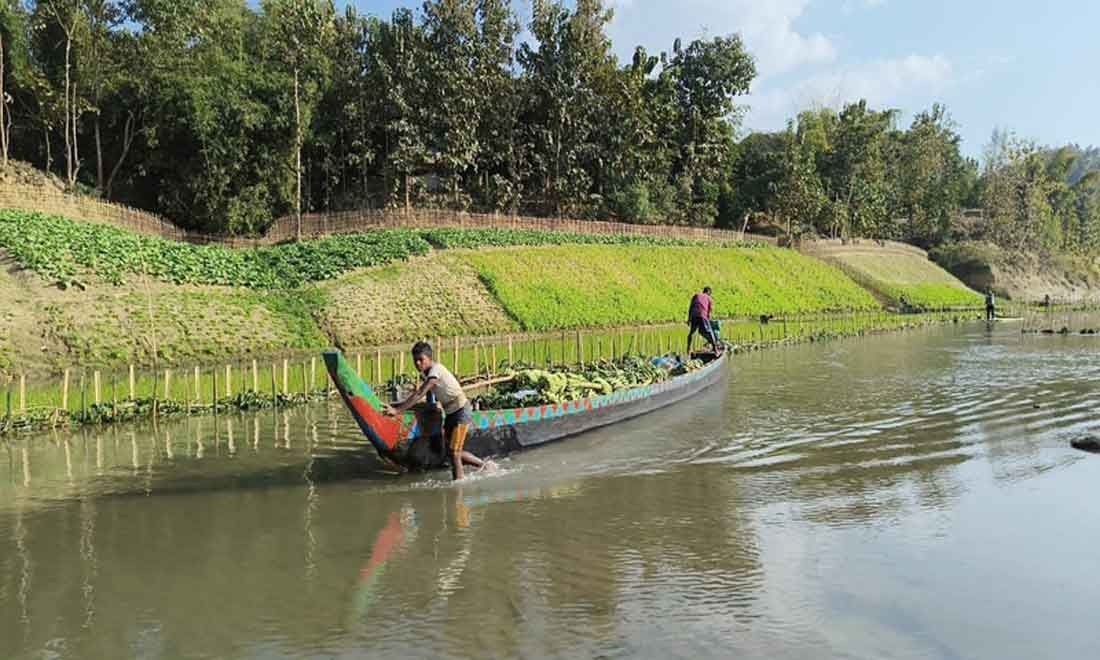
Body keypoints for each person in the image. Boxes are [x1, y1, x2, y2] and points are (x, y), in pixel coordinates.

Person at [385, 341, 487, 481]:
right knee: (450, 452)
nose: (418, 363)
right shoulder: (427, 374)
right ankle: (484, 466)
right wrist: (397, 405)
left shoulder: (435, 371)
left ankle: (458, 486)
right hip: (450, 413)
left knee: (454, 453)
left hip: (461, 411)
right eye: (415, 361)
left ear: (429, 358)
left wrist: (398, 410)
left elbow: (419, 393)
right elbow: (427, 397)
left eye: (421, 360)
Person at [686, 286, 721, 355]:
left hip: (694, 315)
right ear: (709, 293)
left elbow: (691, 307)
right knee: (709, 332)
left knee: (691, 333)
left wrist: (689, 319)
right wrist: (708, 319)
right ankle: (715, 350)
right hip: (702, 315)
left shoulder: (696, 295)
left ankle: (688, 349)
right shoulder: (709, 298)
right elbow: (710, 311)